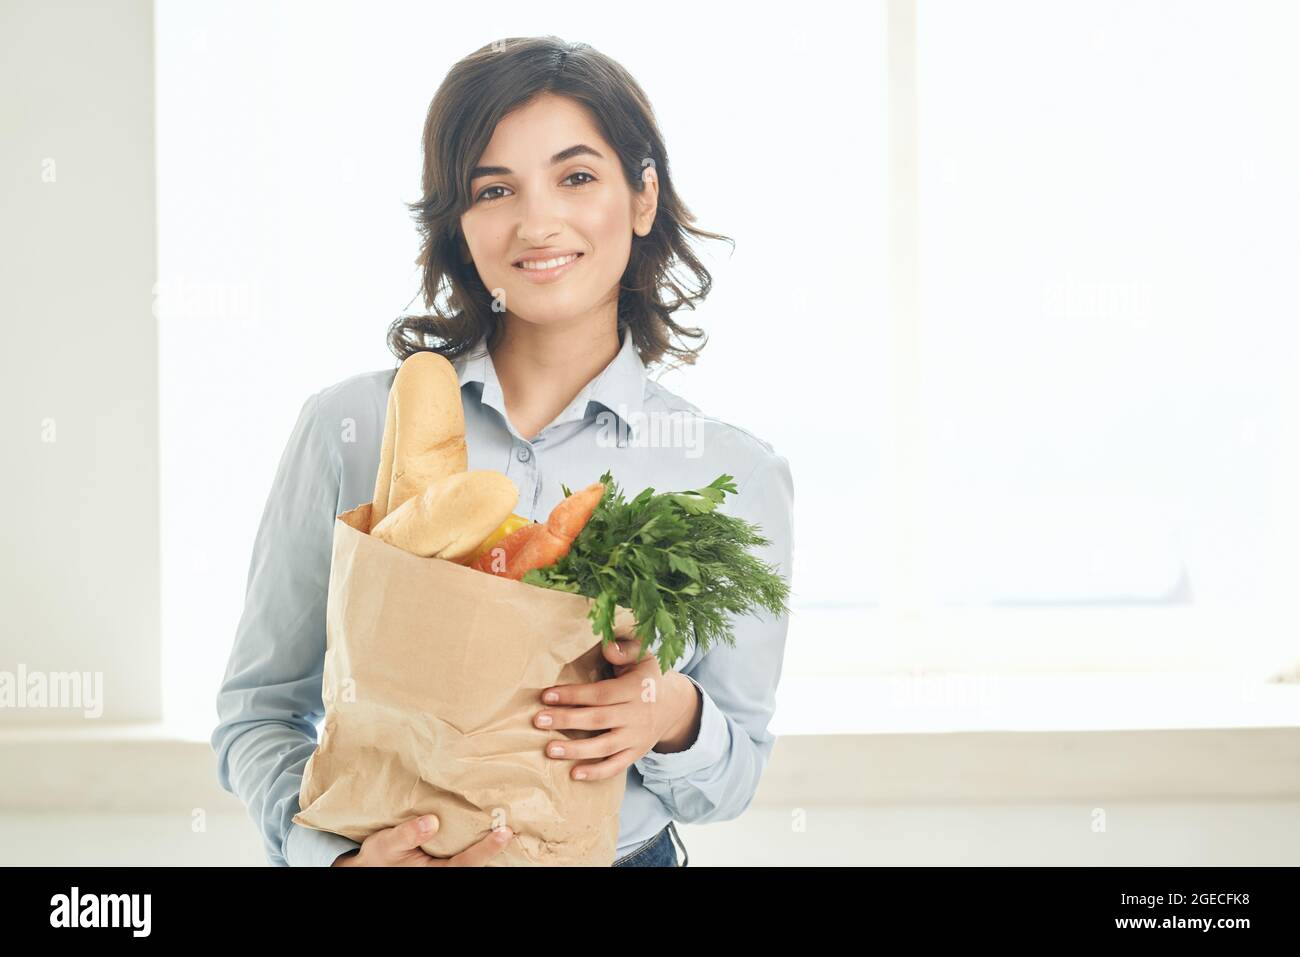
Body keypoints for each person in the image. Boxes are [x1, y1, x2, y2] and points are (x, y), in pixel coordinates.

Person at [211, 36, 794, 868]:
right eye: (494, 189)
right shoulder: (353, 426)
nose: (538, 221)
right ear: (458, 220)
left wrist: (668, 712)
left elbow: (732, 781)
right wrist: (328, 858)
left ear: (642, 196)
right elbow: (258, 711)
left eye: (577, 176)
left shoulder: (727, 473)